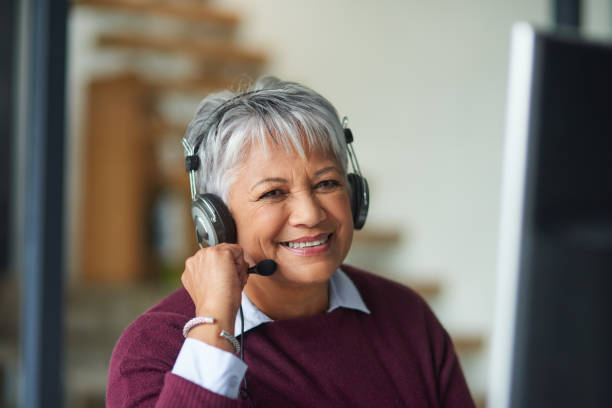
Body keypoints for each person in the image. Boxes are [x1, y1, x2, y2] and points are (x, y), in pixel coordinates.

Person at [107, 76, 475, 407]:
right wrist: (213, 328)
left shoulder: (406, 316)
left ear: (354, 193)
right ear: (215, 221)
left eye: (326, 183)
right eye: (272, 193)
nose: (311, 214)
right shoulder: (154, 347)